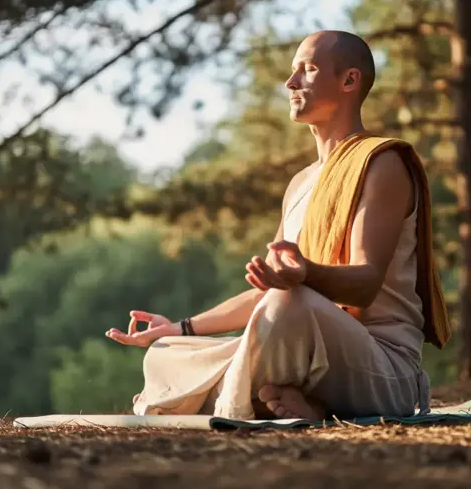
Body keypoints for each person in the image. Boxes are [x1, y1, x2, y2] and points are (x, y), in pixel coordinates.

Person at [105, 30, 450, 421]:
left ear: (349, 80)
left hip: (381, 365)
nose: (290, 82)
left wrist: (306, 275)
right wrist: (182, 328)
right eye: (292, 71)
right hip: (300, 337)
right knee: (166, 354)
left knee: (289, 301)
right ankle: (295, 401)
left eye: (309, 69)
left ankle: (222, 398)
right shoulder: (301, 182)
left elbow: (365, 283)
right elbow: (265, 295)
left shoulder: (380, 163)